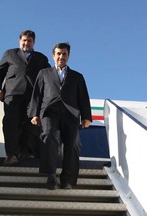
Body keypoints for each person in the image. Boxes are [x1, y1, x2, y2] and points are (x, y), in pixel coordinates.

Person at [28, 42, 92, 190]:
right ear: (53, 55)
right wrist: (34, 114)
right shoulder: (44, 73)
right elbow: (36, 95)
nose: (61, 56)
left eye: (64, 54)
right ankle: (51, 175)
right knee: (49, 136)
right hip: (49, 112)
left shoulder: (77, 76)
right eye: (58, 54)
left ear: (68, 56)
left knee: (73, 143)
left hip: (71, 114)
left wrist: (86, 117)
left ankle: (67, 179)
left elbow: (83, 97)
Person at [0, 30, 50, 166]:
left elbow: (49, 76)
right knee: (10, 124)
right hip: (12, 94)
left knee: (32, 124)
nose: (26, 43)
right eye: (24, 40)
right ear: (20, 41)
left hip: (33, 96)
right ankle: (11, 154)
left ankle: (27, 152)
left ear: (33, 42)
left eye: (29, 41)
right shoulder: (10, 53)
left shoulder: (41, 58)